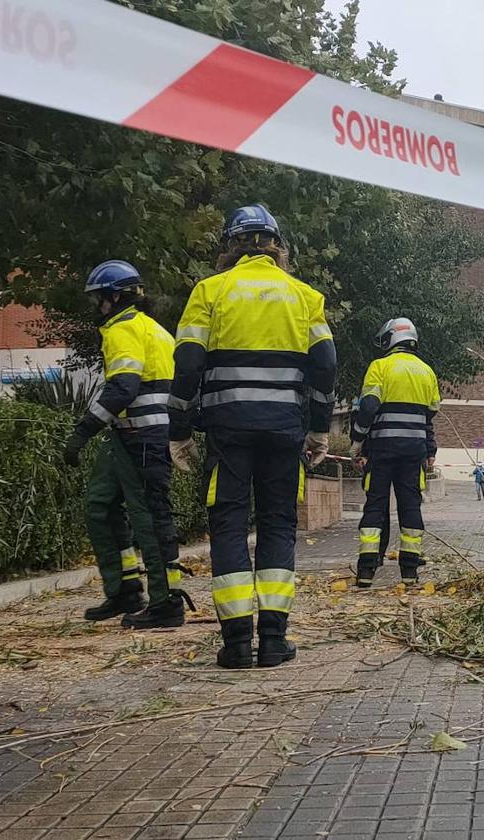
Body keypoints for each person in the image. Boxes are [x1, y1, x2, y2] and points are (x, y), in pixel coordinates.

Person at [167, 204, 336, 669]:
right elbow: (325, 365)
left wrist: (179, 430)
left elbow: (186, 366)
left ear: (230, 247)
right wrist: (319, 428)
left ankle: (237, 643)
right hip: (284, 431)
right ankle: (275, 641)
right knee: (279, 525)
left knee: (228, 524)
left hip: (228, 432)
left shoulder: (210, 291)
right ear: (277, 247)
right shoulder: (305, 297)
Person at [63, 260, 188, 628]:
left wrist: (83, 430)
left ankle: (166, 603)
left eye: (98, 299)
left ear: (113, 297)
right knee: (100, 505)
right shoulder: (154, 329)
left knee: (149, 519)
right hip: (130, 435)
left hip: (140, 437)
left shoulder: (122, 329)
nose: (96, 307)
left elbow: (123, 387)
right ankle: (125, 590)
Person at [350, 318, 440, 588]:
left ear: (391, 338)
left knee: (375, 505)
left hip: (382, 449)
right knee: (410, 506)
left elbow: (368, 407)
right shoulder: (427, 371)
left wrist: (357, 440)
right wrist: (429, 449)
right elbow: (430, 414)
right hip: (414, 452)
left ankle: (366, 570)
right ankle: (410, 571)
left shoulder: (379, 367)